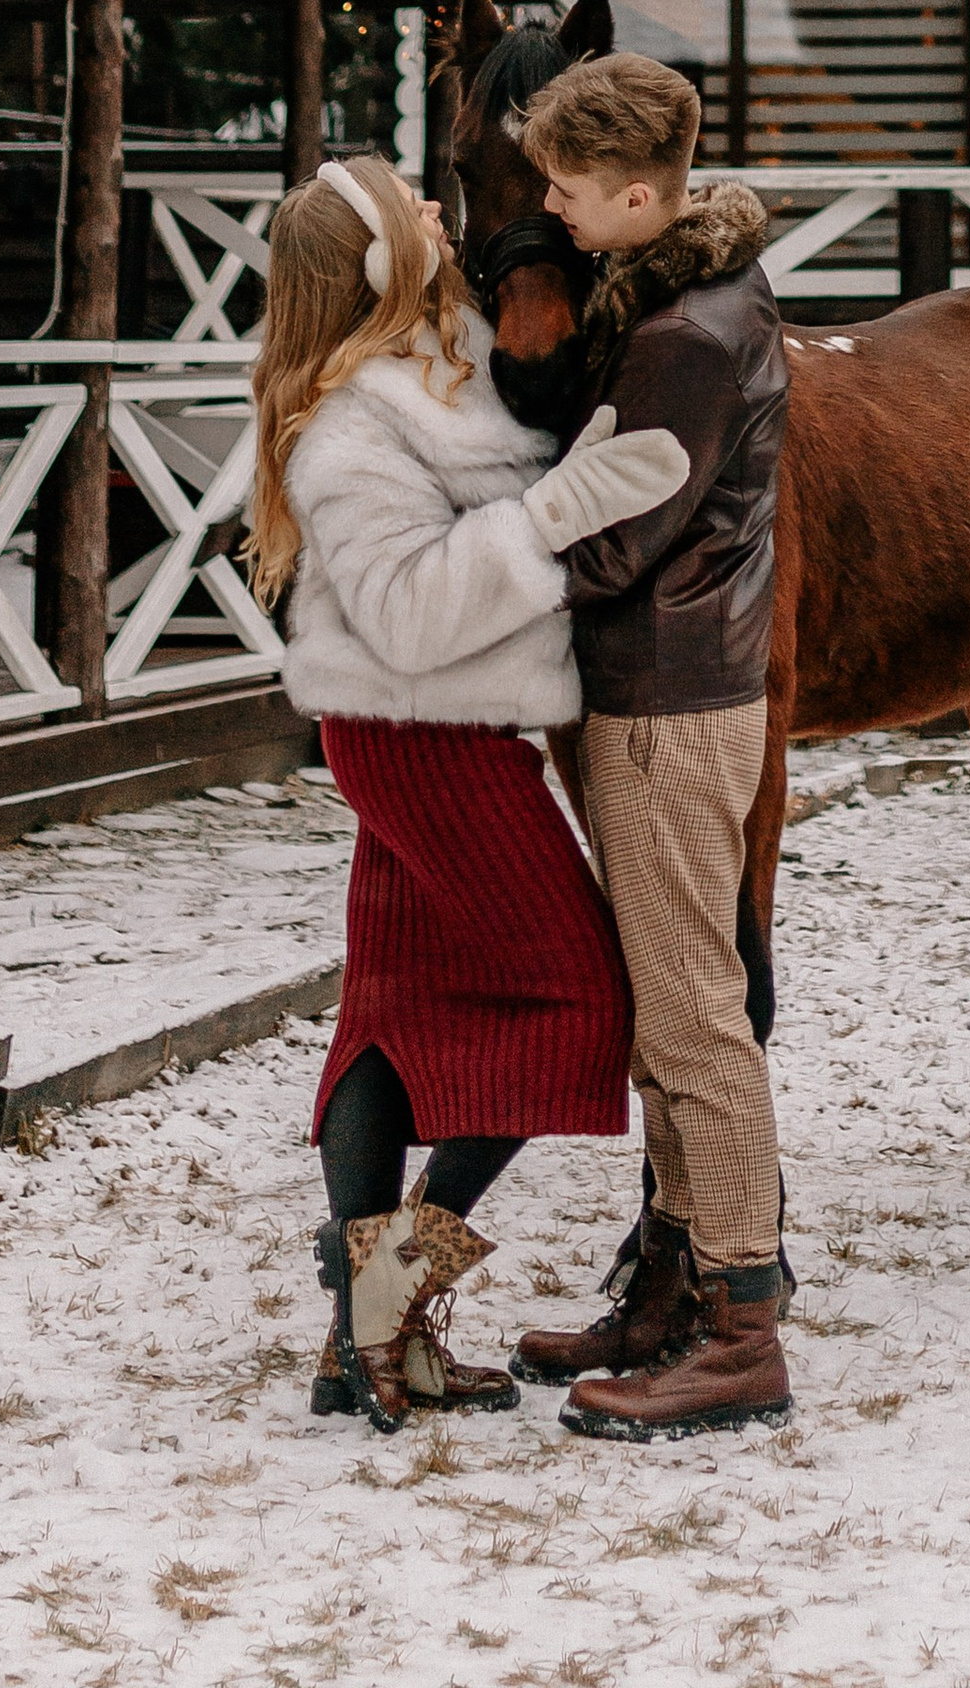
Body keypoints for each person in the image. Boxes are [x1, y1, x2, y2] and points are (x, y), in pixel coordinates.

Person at [248, 149, 689, 1433]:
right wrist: (552, 514)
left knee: (388, 1007)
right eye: (414, 205)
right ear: (379, 257)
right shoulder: (350, 424)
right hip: (420, 728)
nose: (444, 208)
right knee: (578, 992)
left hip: (444, 728)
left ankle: (361, 1346)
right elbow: (408, 609)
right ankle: (387, 1303)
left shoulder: (440, 358)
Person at [504, 54, 793, 1441]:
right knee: (675, 1004)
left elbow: (619, 539)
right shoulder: (701, 294)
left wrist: (474, 560)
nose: (548, 209)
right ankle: (672, 1290)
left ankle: (741, 1329)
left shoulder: (681, 338)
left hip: (666, 699)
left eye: (563, 188)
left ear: (634, 193)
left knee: (691, 1015)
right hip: (685, 685)